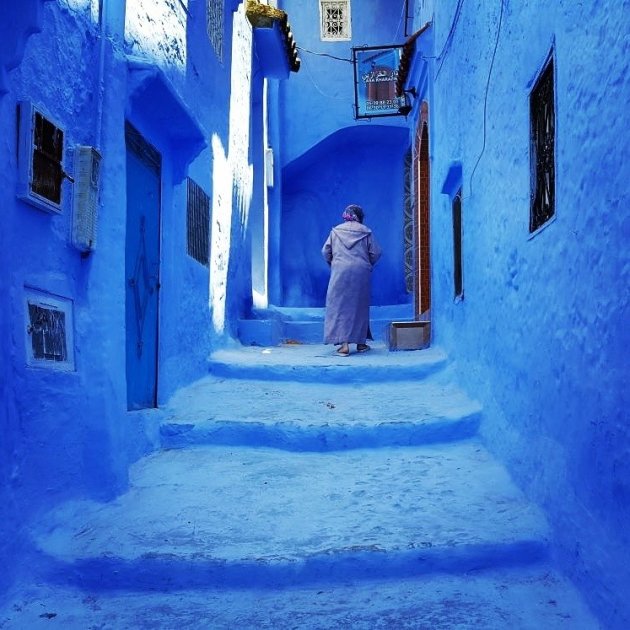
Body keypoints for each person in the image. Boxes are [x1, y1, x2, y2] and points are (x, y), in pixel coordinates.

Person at [322, 204, 382, 356]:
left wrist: (334, 263)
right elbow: (376, 252)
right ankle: (361, 343)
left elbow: (325, 251)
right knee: (359, 306)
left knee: (339, 306)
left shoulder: (335, 231)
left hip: (340, 271)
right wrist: (366, 264)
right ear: (360, 217)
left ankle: (344, 346)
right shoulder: (366, 231)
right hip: (361, 273)